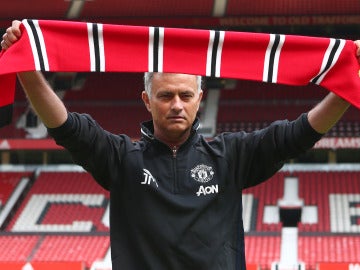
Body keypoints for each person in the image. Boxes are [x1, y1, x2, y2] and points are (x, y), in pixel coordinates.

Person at [2, 20, 360, 270]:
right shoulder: (121, 159)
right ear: (146, 99)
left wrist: (348, 82)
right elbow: (64, 127)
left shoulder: (230, 156)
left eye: (186, 95)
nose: (176, 104)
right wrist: (27, 68)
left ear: (200, 98)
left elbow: (299, 135)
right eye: (166, 95)